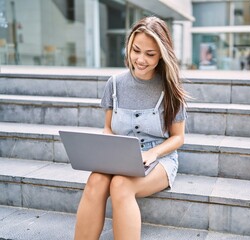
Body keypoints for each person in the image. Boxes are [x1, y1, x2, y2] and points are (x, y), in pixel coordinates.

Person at [74, 16, 188, 240]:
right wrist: (108, 151)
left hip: (159, 158)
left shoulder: (170, 89)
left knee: (120, 185)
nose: (141, 59)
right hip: (119, 153)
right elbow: (108, 128)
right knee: (95, 180)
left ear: (162, 55)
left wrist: (152, 153)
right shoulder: (114, 84)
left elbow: (178, 138)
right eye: (136, 50)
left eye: (150, 54)